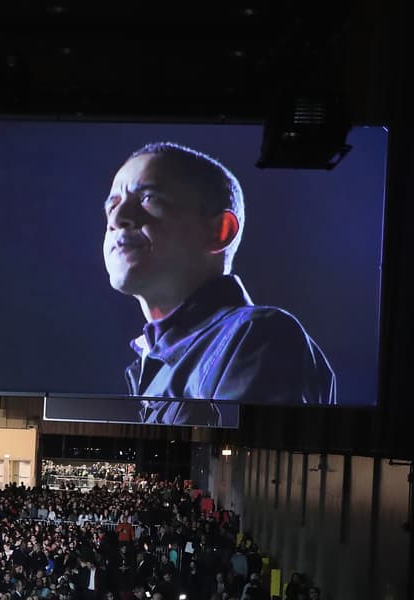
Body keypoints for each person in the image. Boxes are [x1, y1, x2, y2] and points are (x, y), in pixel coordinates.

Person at [103, 141, 335, 424]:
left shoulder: (258, 335)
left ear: (220, 231)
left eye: (149, 198)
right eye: (112, 204)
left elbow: (236, 459)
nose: (116, 218)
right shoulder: (150, 367)